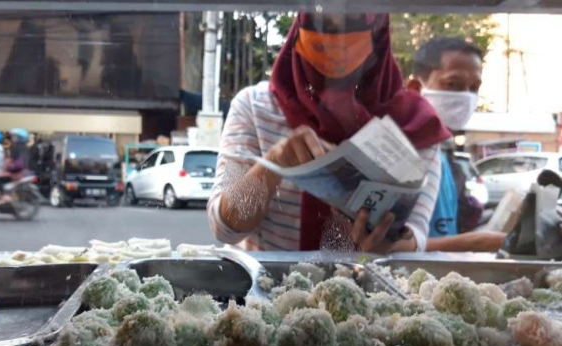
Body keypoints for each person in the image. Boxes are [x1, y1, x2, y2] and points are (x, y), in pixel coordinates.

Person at [207, 13, 451, 253]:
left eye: (353, 22)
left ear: (379, 31)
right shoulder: (254, 107)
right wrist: (273, 164)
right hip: (272, 288)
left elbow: (415, 235)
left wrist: (389, 244)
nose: (336, 41)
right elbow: (225, 228)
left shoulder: (416, 124)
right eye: (321, 22)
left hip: (368, 288)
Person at [407, 37, 506, 251]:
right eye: (452, 84)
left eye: (474, 87)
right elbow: (392, 247)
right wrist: (479, 242)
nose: (466, 96)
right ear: (415, 88)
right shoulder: (406, 152)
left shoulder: (443, 155)